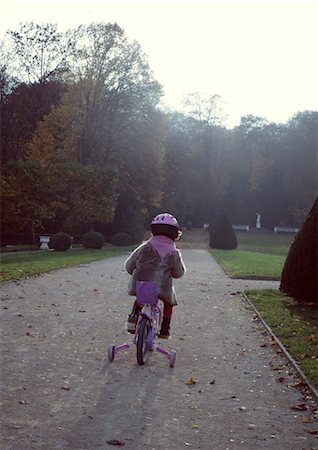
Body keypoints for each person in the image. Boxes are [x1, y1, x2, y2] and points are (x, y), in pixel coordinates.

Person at [125, 213, 186, 338]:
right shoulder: (174, 253)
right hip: (162, 289)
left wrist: (134, 272)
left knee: (143, 294)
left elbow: (129, 266)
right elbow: (178, 273)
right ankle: (164, 329)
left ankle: (133, 317)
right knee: (169, 302)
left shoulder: (143, 248)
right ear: (175, 233)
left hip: (141, 285)